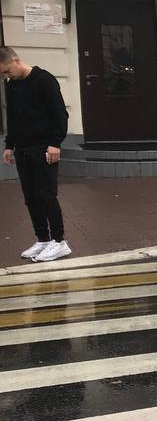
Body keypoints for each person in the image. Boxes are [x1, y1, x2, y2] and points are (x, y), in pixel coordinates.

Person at [0, 46, 71, 262]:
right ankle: (42, 239)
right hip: (22, 148)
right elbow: (12, 117)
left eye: (6, 71)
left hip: (44, 147)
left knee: (46, 195)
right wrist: (9, 145)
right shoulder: (12, 86)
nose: (5, 76)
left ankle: (59, 242)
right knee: (31, 197)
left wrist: (54, 143)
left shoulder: (44, 80)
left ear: (16, 60)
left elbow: (60, 114)